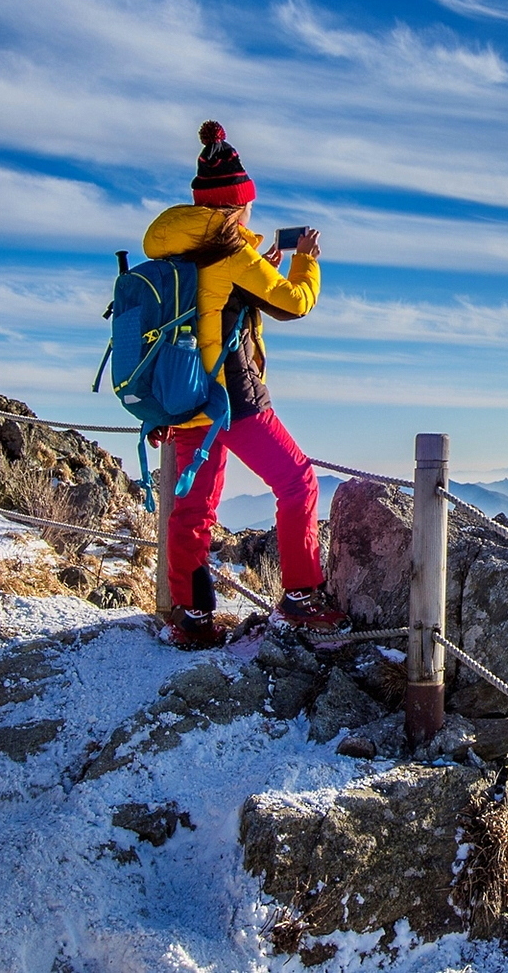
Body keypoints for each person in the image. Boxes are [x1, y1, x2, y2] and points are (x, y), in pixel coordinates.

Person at [141, 120, 340, 648]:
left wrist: (259, 266)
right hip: (231, 398)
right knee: (298, 482)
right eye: (247, 205)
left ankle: (191, 618)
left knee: (193, 507)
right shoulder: (232, 252)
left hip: (183, 395)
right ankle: (300, 597)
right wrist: (306, 262)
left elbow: (214, 302)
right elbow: (294, 303)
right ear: (236, 205)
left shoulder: (175, 249)